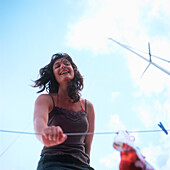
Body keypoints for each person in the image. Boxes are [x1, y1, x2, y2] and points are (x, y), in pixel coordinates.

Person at [33, 53, 95, 170]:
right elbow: (38, 121)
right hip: (53, 163)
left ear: (73, 70)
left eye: (67, 64)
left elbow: (87, 146)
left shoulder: (88, 106)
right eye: (57, 66)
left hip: (82, 165)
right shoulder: (46, 99)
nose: (63, 66)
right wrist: (44, 133)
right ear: (53, 75)